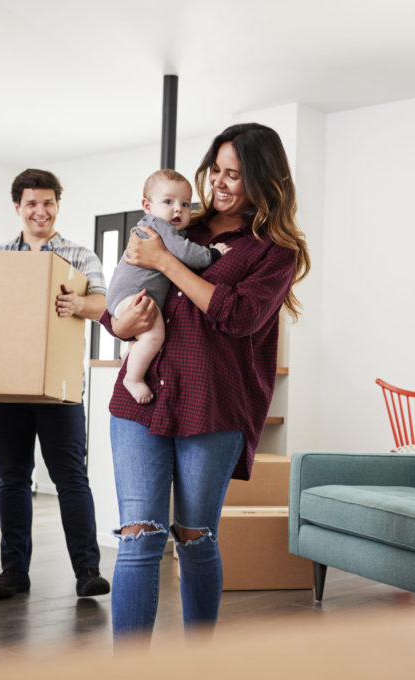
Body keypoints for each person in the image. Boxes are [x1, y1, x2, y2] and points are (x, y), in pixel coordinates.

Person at [99, 123, 310, 638]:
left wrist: (166, 262)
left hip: (213, 408)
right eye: (216, 169)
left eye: (234, 174)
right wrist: (115, 323)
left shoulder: (275, 251)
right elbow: (127, 297)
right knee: (139, 537)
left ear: (264, 180)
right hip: (142, 402)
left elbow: (238, 317)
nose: (219, 182)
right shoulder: (177, 222)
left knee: (195, 537)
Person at [0, 168, 111, 600]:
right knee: (12, 477)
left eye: (48, 202)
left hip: (60, 388)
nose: (41, 210)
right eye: (32, 203)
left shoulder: (79, 254)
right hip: (6, 386)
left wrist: (80, 302)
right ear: (17, 207)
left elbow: (103, 304)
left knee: (71, 477)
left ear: (58, 204)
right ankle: (13, 572)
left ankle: (87, 570)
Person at [105, 169, 230, 404]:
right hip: (132, 295)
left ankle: (132, 351)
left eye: (185, 204)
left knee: (145, 333)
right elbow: (185, 252)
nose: (178, 209)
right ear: (147, 205)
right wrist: (213, 254)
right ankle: (132, 377)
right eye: (168, 202)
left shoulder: (157, 226)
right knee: (154, 335)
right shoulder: (159, 227)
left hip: (124, 296)